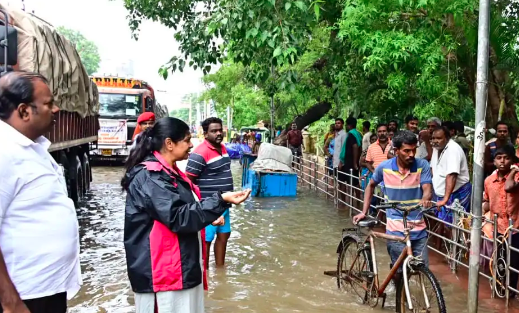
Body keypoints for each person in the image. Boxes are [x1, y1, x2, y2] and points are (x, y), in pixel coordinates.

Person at [122, 117, 250, 313]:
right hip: (164, 275)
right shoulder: (151, 176)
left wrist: (209, 214)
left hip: (178, 268)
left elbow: (177, 210)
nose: (191, 145)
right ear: (169, 144)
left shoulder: (169, 171)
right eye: (187, 140)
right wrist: (221, 200)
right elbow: (177, 216)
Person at [0, 71, 82, 313]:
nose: (56, 109)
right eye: (48, 104)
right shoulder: (5, 153)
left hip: (45, 290)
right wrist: (10, 303)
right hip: (23, 297)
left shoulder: (34, 148)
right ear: (24, 111)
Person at [353, 130, 433, 283]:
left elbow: (427, 188)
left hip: (418, 227)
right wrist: (364, 211)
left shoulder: (422, 165)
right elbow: (370, 185)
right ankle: (397, 297)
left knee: (424, 270)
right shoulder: (384, 167)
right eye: (406, 151)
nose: (411, 154)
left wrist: (425, 199)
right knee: (399, 272)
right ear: (396, 151)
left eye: (413, 150)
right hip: (395, 227)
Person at [186, 117, 234, 269]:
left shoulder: (223, 148)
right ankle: (204, 275)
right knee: (206, 241)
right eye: (214, 131)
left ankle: (220, 273)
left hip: (224, 204)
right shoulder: (199, 154)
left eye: (220, 130)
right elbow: (188, 182)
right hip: (208, 207)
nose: (218, 133)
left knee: (224, 236)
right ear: (205, 134)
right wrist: (201, 204)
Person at [483, 145, 519, 295]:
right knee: (499, 258)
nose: (502, 161)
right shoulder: (489, 180)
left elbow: (509, 187)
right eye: (499, 158)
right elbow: (486, 201)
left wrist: (513, 170)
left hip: (516, 226)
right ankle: (499, 288)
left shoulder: (516, 176)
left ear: (512, 160)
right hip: (497, 226)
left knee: (514, 261)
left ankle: (510, 292)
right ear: (494, 161)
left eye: (506, 158)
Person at [430, 126, 472, 249]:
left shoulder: (453, 150)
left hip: (457, 192)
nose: (435, 141)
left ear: (447, 138)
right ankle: (448, 250)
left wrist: (445, 198)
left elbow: (452, 175)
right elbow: (434, 169)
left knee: (457, 224)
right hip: (442, 192)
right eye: (433, 138)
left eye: (439, 138)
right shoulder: (436, 148)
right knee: (443, 221)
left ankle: (460, 253)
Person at [333, 118, 347, 203]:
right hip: (335, 162)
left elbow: (343, 149)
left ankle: (343, 200)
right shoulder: (337, 135)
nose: (337, 124)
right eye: (336, 123)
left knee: (342, 182)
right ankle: (339, 199)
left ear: (342, 124)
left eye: (339, 123)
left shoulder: (343, 135)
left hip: (340, 163)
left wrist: (341, 162)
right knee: (338, 181)